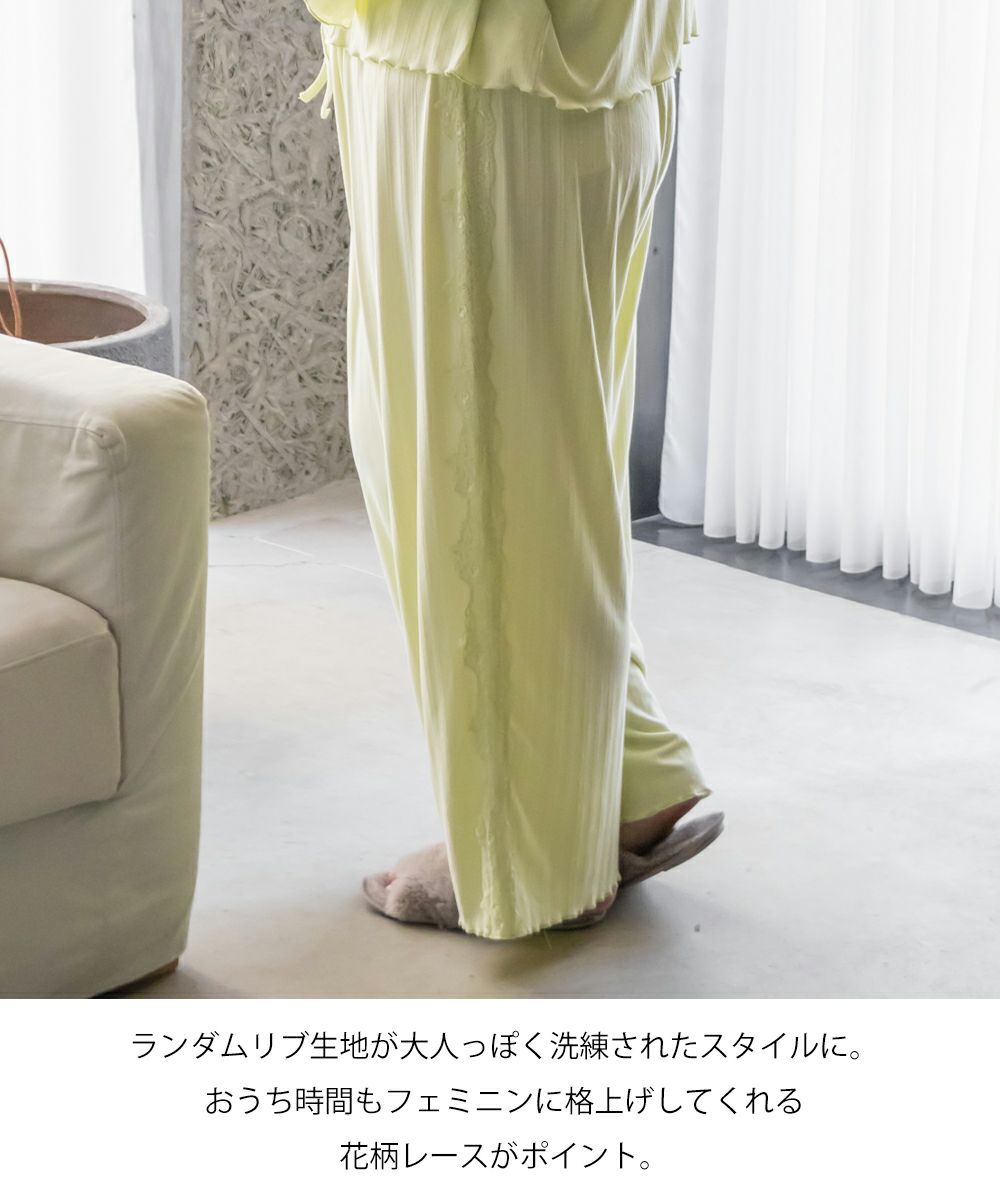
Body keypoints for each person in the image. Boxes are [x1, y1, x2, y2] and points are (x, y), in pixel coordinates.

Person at [299, 0, 724, 940]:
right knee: (551, 464)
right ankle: (626, 772)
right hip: (596, 66)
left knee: (468, 469)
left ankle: (528, 861)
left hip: (473, 70)